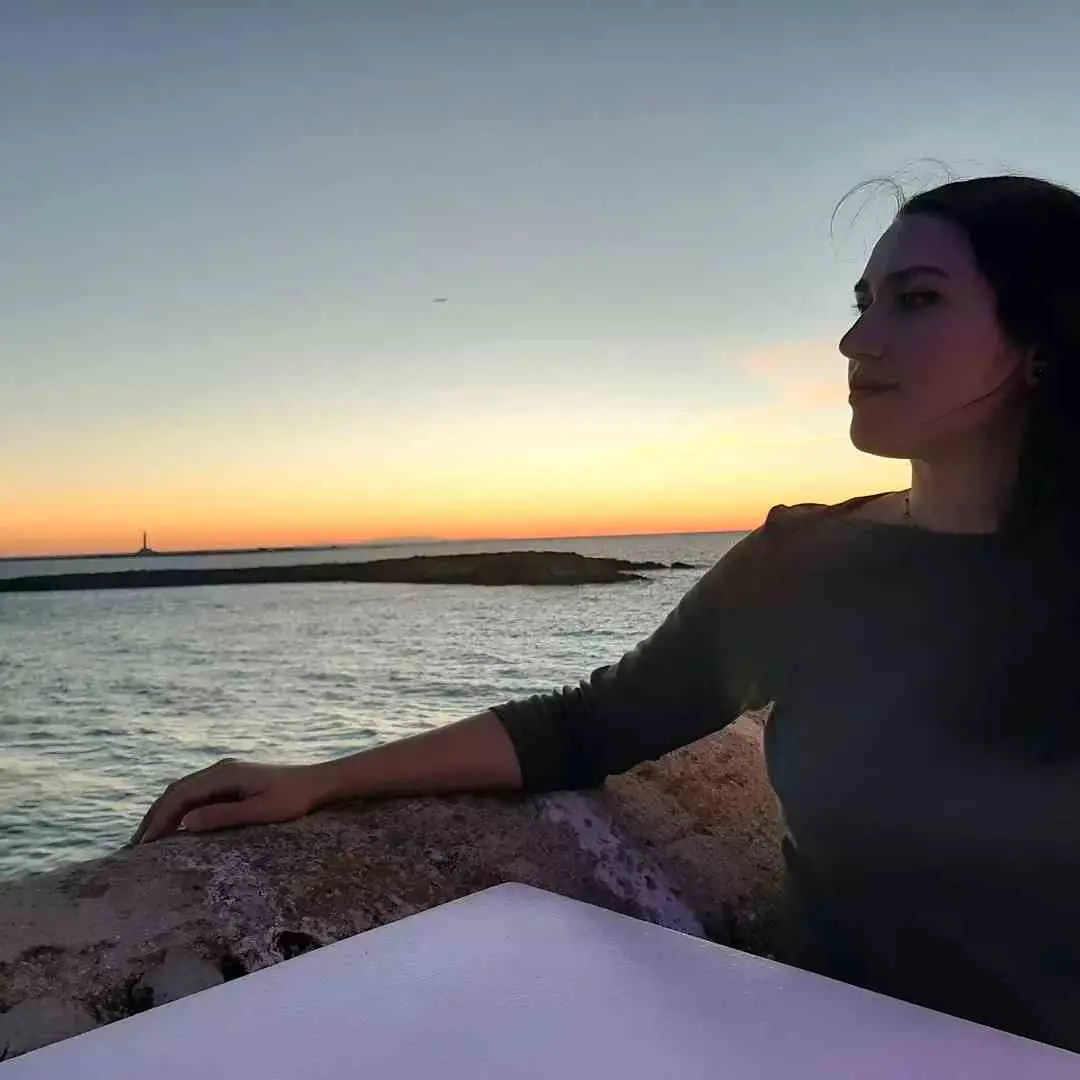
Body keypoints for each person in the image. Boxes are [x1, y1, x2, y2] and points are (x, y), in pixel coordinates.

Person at [131, 174, 1080, 1053]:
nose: (855, 342)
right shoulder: (802, 563)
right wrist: (321, 780)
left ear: (1043, 339)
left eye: (916, 301)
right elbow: (591, 724)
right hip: (818, 1049)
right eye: (862, 302)